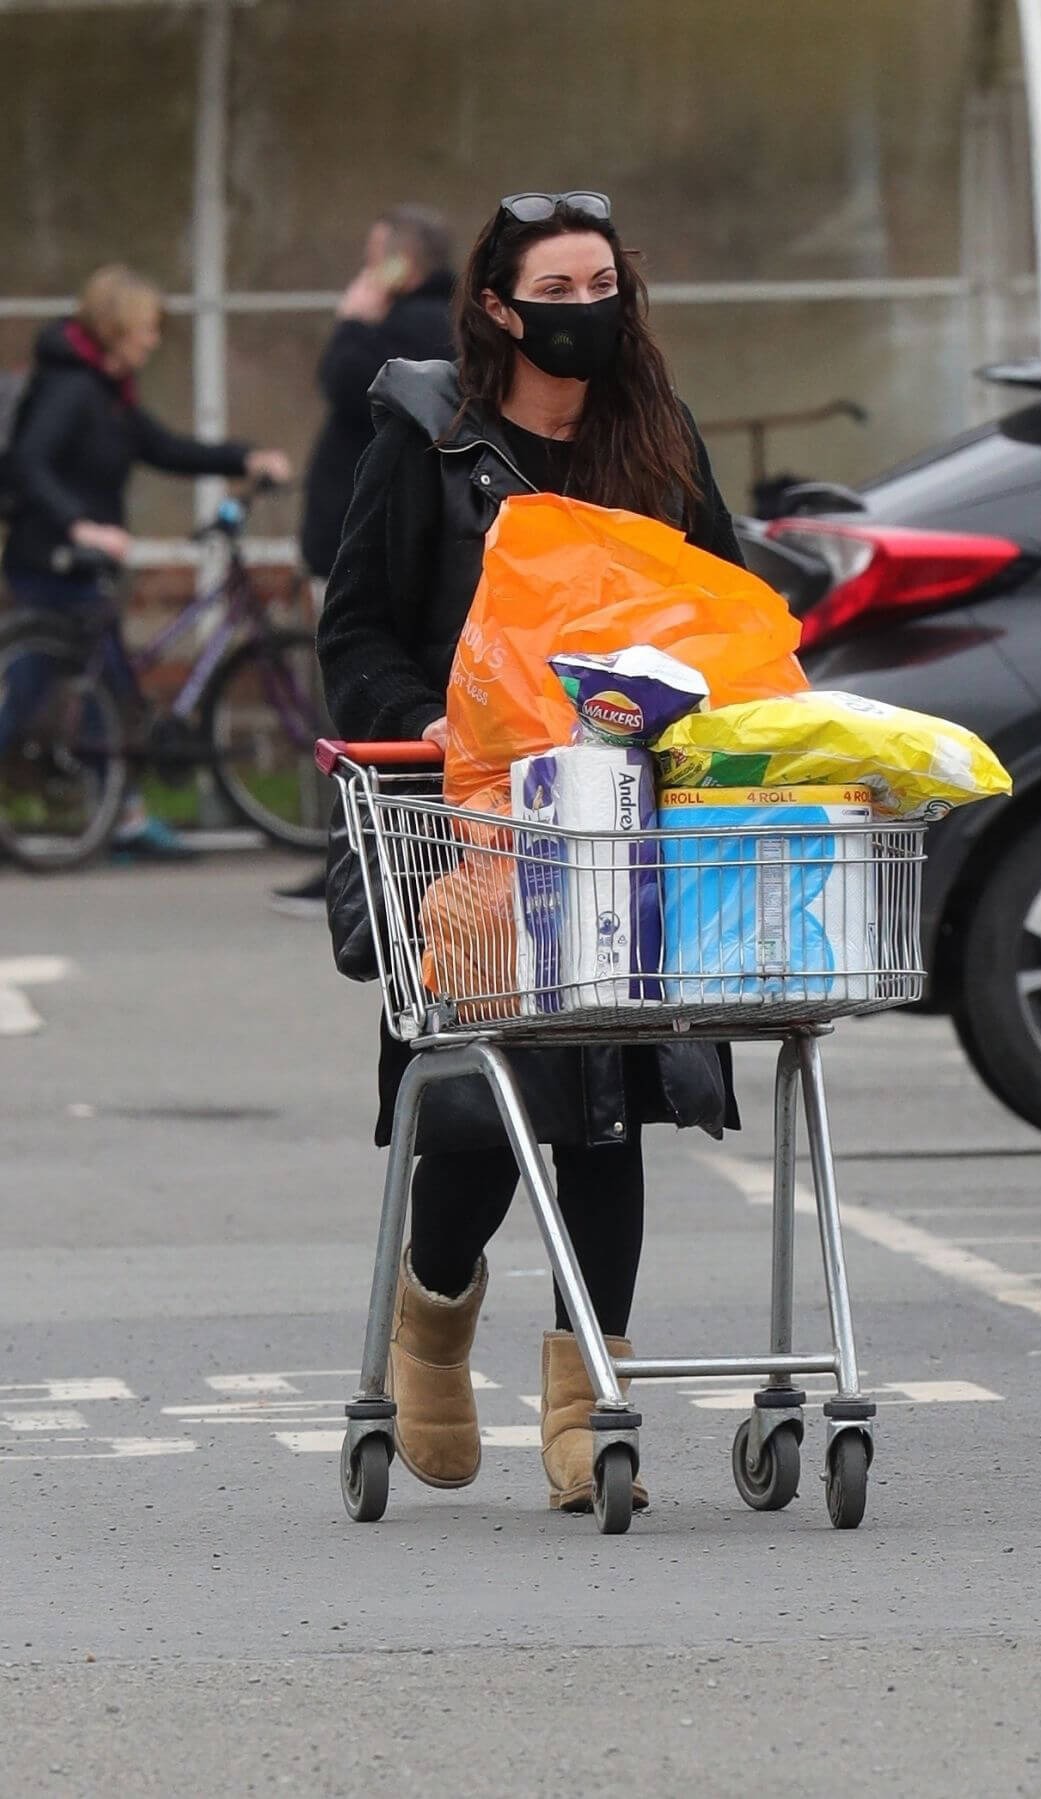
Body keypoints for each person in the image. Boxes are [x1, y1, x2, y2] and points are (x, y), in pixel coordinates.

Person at [317, 191, 749, 1515]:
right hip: (477, 836)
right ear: (501, 309)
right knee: (479, 1116)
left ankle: (587, 1403)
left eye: (604, 282)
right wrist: (430, 720)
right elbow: (356, 640)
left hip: (627, 832)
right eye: (558, 286)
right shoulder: (429, 450)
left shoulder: (657, 451)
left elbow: (727, 611)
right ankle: (432, 1321)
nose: (588, 310)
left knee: (608, 1108)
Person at [2, 264, 290, 853]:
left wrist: (244, 458)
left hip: (82, 562)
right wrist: (79, 523)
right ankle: (123, 814)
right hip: (53, 561)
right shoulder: (73, 390)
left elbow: (164, 448)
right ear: (116, 328)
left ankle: (123, 814)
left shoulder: (110, 395)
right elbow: (28, 461)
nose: (153, 340)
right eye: (147, 329)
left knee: (108, 686)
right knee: (43, 690)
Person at [273, 205, 456, 914]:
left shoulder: (411, 327)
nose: (361, 273)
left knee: (355, 701)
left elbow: (346, 381)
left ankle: (353, 866)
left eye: (373, 258)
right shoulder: (414, 322)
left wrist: (354, 319)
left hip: (369, 553)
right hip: (351, 544)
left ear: (400, 265)